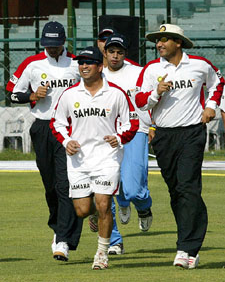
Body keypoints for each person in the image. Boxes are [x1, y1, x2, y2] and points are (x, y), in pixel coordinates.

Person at [135, 23, 224, 269]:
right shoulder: (151, 69)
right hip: (163, 136)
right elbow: (140, 101)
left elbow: (218, 82)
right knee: (177, 191)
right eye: (157, 40)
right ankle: (189, 238)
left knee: (187, 187)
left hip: (192, 134)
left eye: (165, 39)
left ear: (179, 42)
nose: (159, 44)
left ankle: (188, 248)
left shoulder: (199, 64)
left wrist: (211, 106)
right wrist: (156, 92)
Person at [50, 46, 139, 269]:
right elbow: (57, 123)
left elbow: (132, 123)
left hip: (107, 158)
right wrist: (66, 141)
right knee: (82, 209)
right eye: (81, 63)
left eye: (89, 62)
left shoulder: (116, 93)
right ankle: (101, 213)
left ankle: (101, 253)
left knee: (103, 202)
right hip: (79, 160)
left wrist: (119, 138)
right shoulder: (69, 94)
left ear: (101, 66)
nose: (84, 66)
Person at [6, 21, 83, 262]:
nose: (51, 49)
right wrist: (31, 95)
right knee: (50, 186)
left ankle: (63, 240)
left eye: (56, 45)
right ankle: (57, 226)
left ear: (64, 43)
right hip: (42, 127)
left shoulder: (76, 64)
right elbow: (11, 92)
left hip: (70, 129)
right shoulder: (32, 63)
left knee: (65, 184)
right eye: (47, 45)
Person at [103, 33, 153, 237]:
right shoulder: (97, 75)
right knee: (111, 185)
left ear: (125, 54)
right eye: (111, 51)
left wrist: (153, 126)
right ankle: (121, 206)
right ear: (105, 53)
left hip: (135, 131)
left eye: (119, 52)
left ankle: (143, 206)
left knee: (133, 187)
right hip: (106, 135)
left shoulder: (139, 72)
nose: (115, 56)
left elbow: (152, 100)